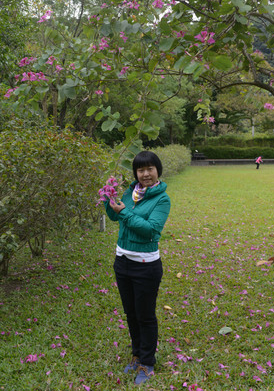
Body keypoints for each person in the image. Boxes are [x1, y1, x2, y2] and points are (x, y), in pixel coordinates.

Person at [104, 151, 171, 385]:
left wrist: (124, 212)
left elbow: (151, 230)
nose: (145, 174)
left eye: (150, 168)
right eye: (140, 170)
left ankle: (147, 362)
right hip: (122, 261)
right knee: (131, 313)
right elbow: (114, 218)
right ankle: (136, 354)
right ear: (136, 173)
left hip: (146, 266)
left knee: (145, 315)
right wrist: (108, 198)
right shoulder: (129, 192)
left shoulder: (162, 199)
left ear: (157, 170)